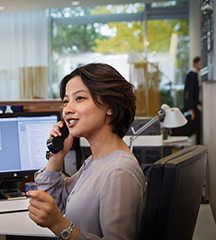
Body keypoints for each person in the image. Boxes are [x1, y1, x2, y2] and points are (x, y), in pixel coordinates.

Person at [27, 63, 146, 240]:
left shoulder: (119, 171)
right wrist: (56, 157)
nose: (67, 109)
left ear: (110, 107)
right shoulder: (96, 161)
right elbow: (50, 202)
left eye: (80, 98)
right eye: (66, 101)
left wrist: (59, 225)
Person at [183, 56, 201, 145]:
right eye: (200, 63)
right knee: (192, 129)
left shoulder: (194, 75)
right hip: (191, 108)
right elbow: (188, 93)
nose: (201, 65)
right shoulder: (191, 75)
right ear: (195, 63)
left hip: (193, 106)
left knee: (195, 129)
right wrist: (190, 109)